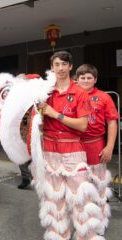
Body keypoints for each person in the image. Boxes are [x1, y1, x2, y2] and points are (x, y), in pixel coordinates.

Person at [37, 51, 105, 240]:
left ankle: (85, 236)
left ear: (70, 66)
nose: (60, 68)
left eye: (64, 64)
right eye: (56, 64)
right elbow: (37, 124)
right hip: (50, 149)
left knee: (81, 198)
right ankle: (58, 235)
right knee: (54, 198)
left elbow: (83, 125)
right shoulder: (45, 92)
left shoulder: (80, 93)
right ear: (52, 67)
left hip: (73, 149)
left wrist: (54, 114)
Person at [76, 64, 118, 232]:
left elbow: (112, 122)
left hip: (96, 143)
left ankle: (99, 221)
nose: (85, 80)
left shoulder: (104, 97)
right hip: (75, 144)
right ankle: (80, 219)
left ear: (95, 79)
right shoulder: (72, 96)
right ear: (77, 79)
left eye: (89, 77)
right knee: (77, 184)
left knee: (98, 184)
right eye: (82, 77)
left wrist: (109, 147)